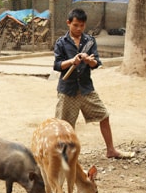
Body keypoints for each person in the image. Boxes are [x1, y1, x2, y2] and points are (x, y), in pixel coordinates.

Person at [53, 8, 134, 159]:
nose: (78, 28)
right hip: (68, 90)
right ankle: (63, 158)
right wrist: (72, 61)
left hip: (86, 88)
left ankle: (111, 150)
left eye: (82, 25)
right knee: (65, 126)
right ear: (68, 23)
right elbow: (57, 65)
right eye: (75, 25)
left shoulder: (90, 41)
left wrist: (90, 61)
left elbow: (97, 62)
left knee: (104, 115)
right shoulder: (61, 43)